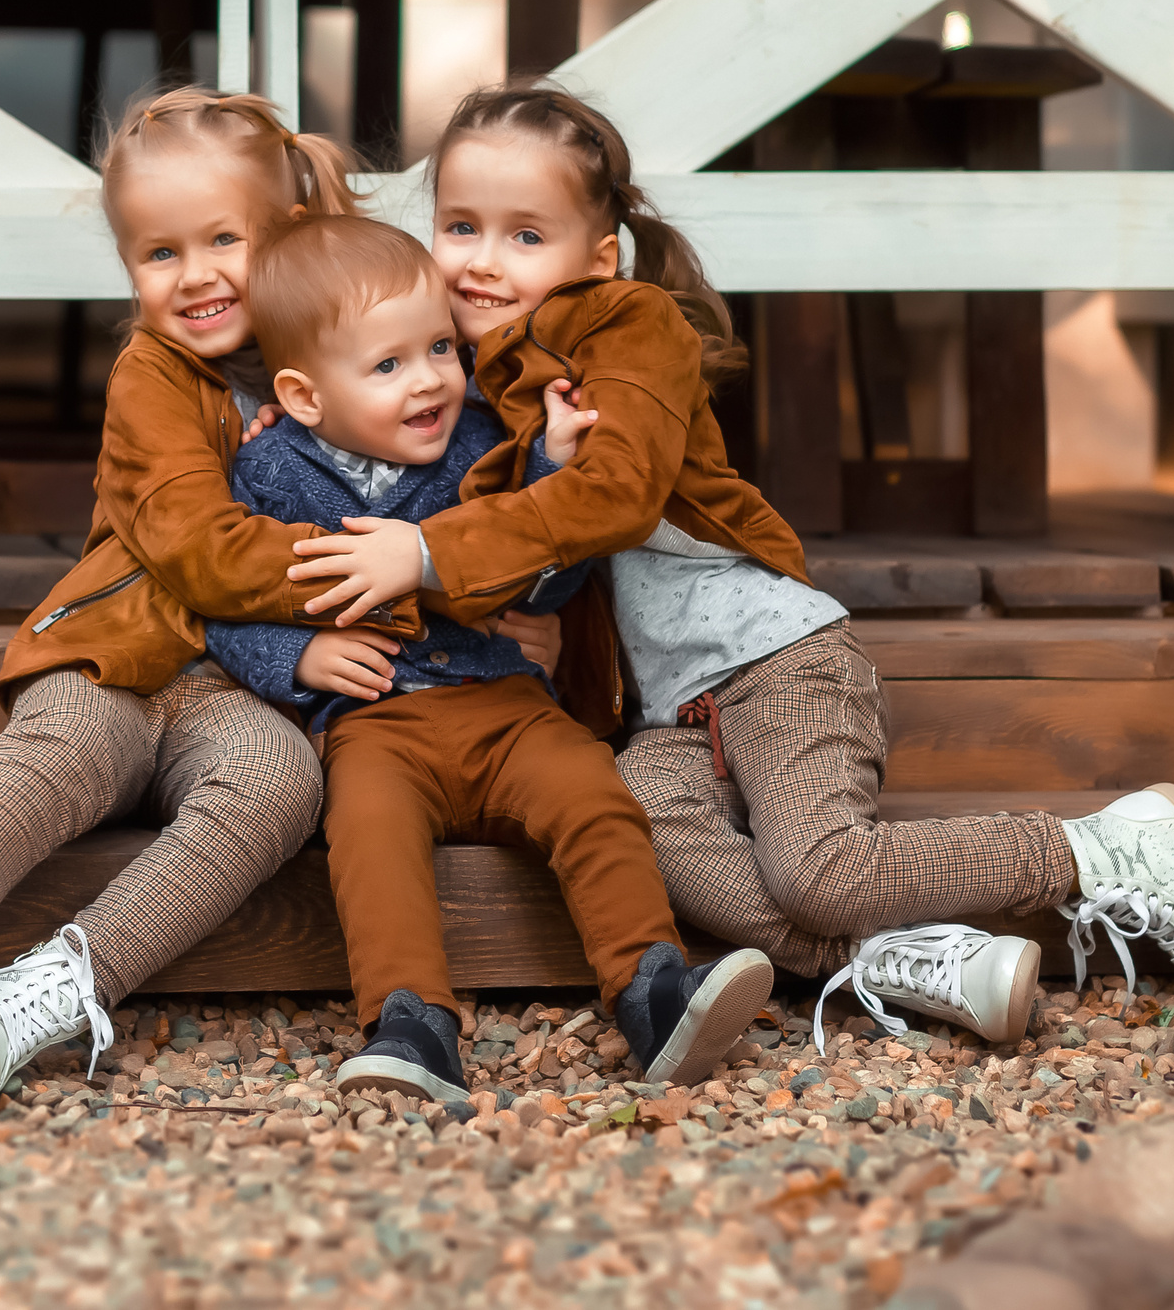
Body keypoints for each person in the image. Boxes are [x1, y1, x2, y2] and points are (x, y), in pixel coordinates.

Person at [282, 84, 1174, 1047]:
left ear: (600, 252)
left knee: (817, 871)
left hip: (768, 658)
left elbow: (616, 492)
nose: (481, 261)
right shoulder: (460, 372)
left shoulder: (630, 325)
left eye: (524, 235)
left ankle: (1105, 846)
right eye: (459, 226)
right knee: (647, 836)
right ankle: (903, 956)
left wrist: (425, 552)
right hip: (664, 715)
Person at [0, 88, 440, 1107]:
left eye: (223, 239)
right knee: (57, 751)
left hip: (240, 693)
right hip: (118, 655)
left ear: (289, 231)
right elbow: (199, 551)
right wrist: (357, 570)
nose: (195, 274)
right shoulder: (152, 376)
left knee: (278, 785)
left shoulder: (353, 358)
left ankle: (31, 1001)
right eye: (159, 253)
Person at [203, 213, 776, 1105]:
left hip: (506, 701)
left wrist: (548, 467)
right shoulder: (271, 471)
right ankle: (409, 1018)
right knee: (368, 832)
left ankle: (651, 986)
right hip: (378, 721)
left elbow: (541, 583)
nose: (429, 378)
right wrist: (298, 654)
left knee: (593, 793)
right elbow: (228, 601)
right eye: (388, 365)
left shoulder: (481, 441)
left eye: (439, 346)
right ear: (305, 395)